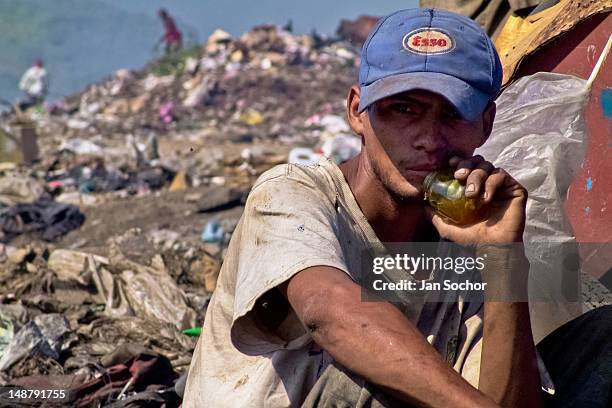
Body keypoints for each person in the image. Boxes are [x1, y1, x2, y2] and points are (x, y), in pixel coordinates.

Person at [183, 8, 612, 407]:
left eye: (453, 113)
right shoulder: (294, 194)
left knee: (601, 337)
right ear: (357, 111)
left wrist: (502, 257)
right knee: (380, 369)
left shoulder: (461, 247)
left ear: (487, 124)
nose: (428, 137)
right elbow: (329, 312)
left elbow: (507, 399)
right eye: (402, 109)